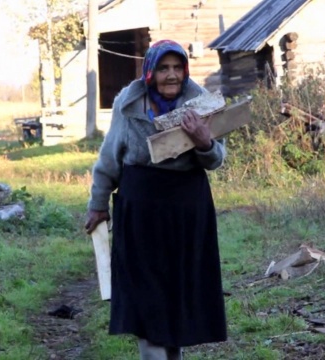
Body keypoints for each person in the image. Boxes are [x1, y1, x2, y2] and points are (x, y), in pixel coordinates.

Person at [84, 39, 227, 359]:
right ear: (150, 71)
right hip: (140, 211)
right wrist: (98, 204)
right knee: (146, 295)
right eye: (163, 68)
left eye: (178, 68)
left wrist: (205, 143)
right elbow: (109, 160)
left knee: (178, 294)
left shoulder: (201, 102)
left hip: (187, 213)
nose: (172, 75)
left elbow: (216, 160)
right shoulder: (129, 103)